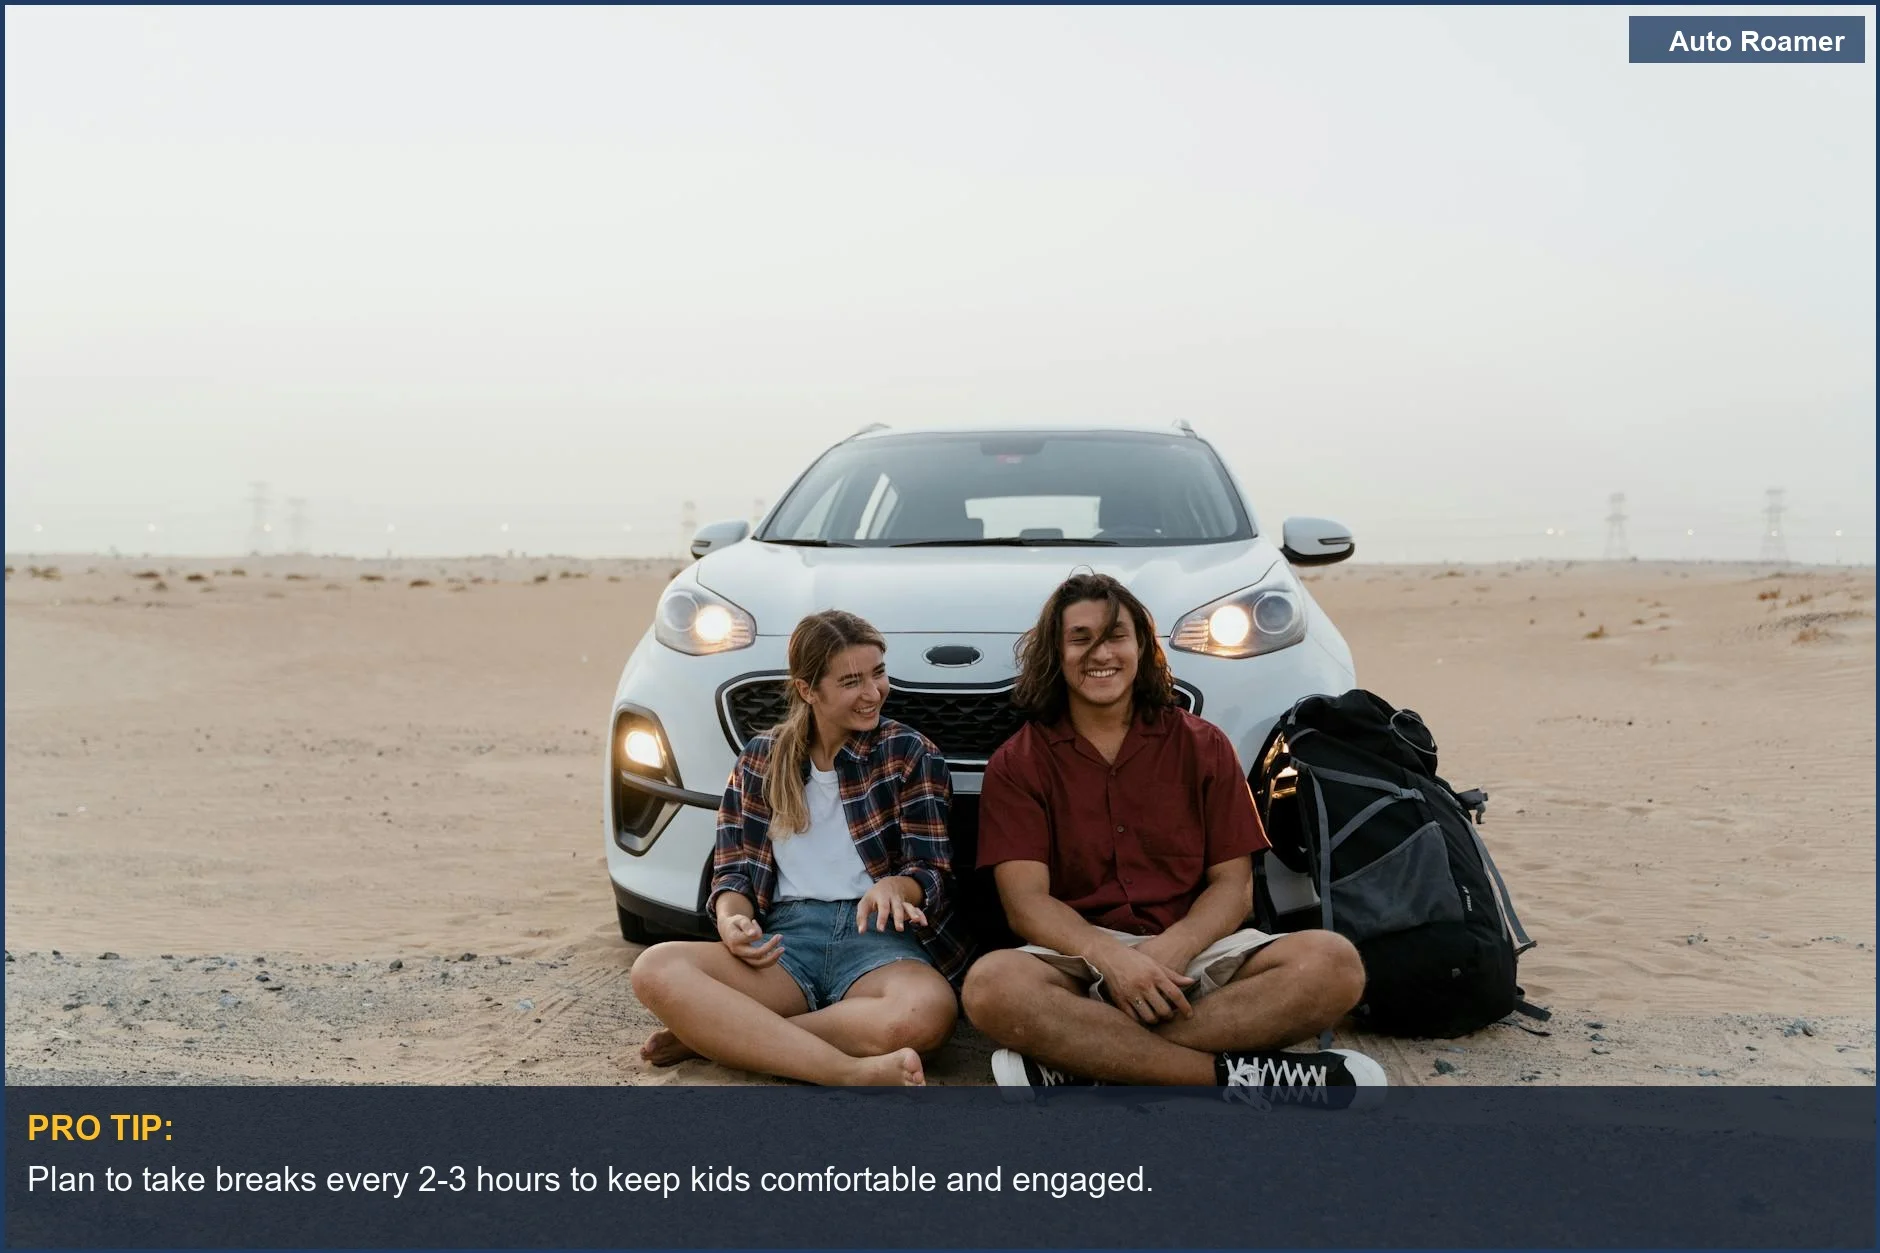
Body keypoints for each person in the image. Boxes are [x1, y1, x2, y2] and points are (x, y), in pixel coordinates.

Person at [960, 573, 1385, 1095]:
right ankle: (1232, 1077)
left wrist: (1171, 951)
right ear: (1056, 652)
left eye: (1116, 635)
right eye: (1080, 638)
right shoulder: (1018, 763)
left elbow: (1234, 886)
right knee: (992, 987)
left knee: (1333, 965)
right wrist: (1112, 959)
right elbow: (1026, 904)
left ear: (1142, 646)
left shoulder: (1204, 745)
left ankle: (1085, 1058)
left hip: (1194, 950)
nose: (1100, 653)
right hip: (1077, 960)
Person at [631, 609, 970, 1086]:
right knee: (655, 968)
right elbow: (732, 874)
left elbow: (931, 870)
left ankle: (724, 1038)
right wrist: (731, 920)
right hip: (784, 944)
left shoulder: (909, 752)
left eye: (878, 673)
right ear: (809, 690)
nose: (874, 693)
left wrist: (897, 887)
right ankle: (846, 1071)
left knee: (925, 1014)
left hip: (878, 942)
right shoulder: (759, 759)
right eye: (852, 681)